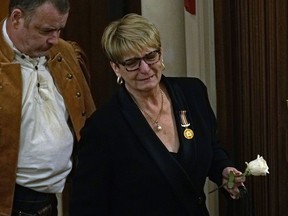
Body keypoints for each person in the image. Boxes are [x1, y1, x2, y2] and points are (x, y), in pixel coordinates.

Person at [70, 13, 244, 216]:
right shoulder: (103, 127)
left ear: (161, 54)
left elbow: (211, 148)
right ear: (116, 67)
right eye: (132, 62)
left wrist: (224, 170)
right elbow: (87, 205)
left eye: (150, 56)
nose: (145, 69)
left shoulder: (193, 93)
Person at [0, 0, 96, 215]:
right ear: (17, 18)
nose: (55, 40)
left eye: (59, 29)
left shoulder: (65, 53)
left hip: (53, 200)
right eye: (46, 30)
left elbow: (88, 120)